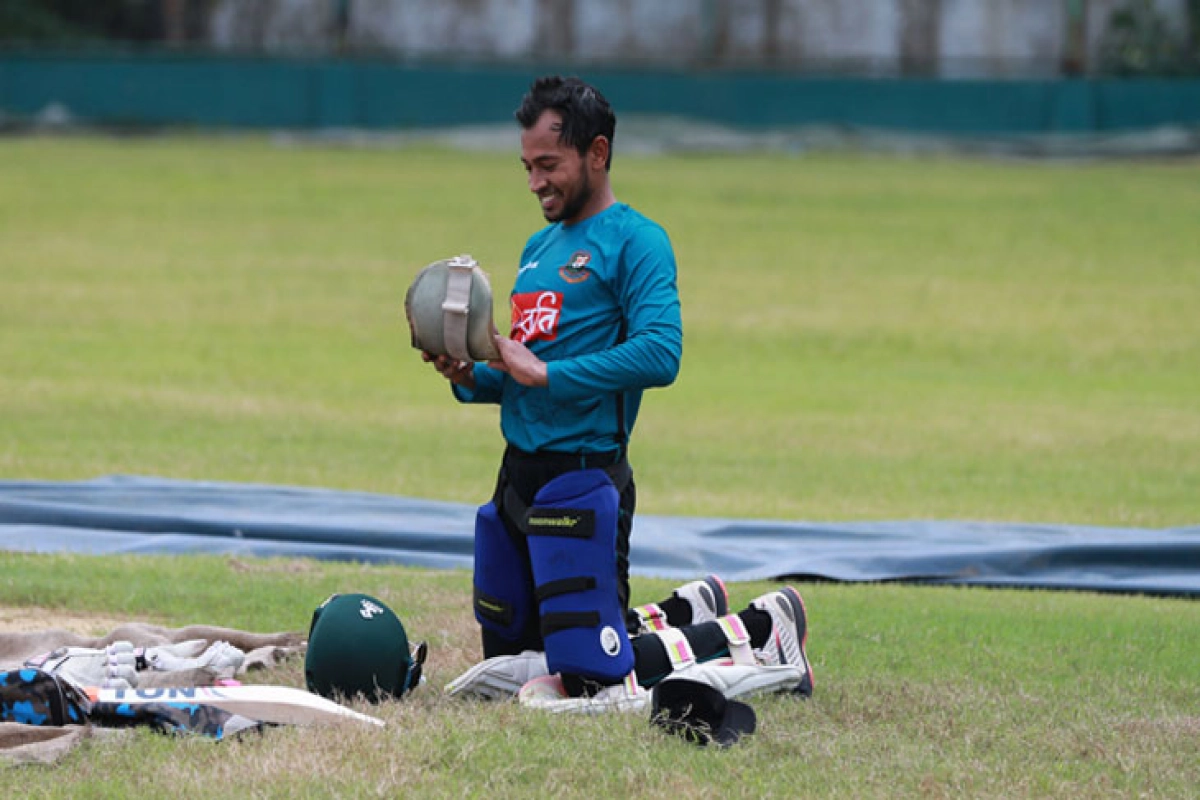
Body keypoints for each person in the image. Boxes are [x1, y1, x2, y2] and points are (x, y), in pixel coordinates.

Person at [425, 75, 812, 704]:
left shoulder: (638, 241)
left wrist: (547, 373)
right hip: (514, 480)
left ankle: (765, 629)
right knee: (515, 663)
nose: (534, 183)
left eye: (547, 164)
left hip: (582, 479)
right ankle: (684, 608)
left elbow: (662, 353)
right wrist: (471, 374)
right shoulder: (537, 248)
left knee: (589, 677)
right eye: (526, 167)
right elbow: (527, 374)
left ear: (597, 153)